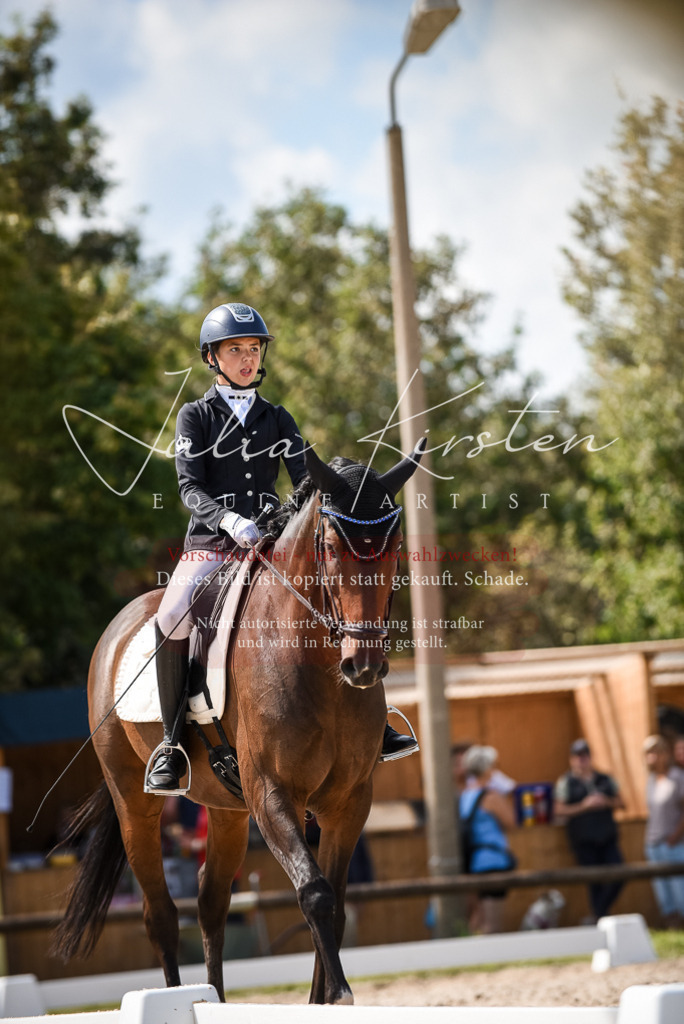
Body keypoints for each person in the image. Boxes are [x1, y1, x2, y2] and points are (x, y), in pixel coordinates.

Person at [147, 301, 417, 792]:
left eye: (254, 349)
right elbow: (190, 489)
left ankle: (374, 721)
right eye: (236, 350)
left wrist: (288, 519)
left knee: (337, 597)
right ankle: (170, 744)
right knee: (172, 615)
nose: (248, 358)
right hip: (212, 544)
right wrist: (230, 520)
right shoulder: (195, 416)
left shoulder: (278, 417)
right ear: (212, 357)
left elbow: (304, 484)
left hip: (269, 544)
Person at [553, 738, 625, 922]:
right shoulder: (566, 782)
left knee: (620, 873)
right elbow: (559, 810)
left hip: (607, 837)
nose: (581, 760)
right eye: (577, 756)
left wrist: (605, 802)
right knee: (594, 881)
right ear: (571, 759)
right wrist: (584, 806)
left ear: (590, 757)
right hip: (583, 840)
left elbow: (622, 803)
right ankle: (600, 918)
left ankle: (598, 915)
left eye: (584, 756)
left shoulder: (605, 779)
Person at [459, 745, 516, 934]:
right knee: (493, 923)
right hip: (493, 861)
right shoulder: (491, 797)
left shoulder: (465, 795)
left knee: (479, 919)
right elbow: (511, 821)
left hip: (474, 863)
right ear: (486, 768)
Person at [642, 734, 684, 928]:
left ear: (665, 754)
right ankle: (674, 933)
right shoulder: (651, 780)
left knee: (680, 893)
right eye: (648, 753)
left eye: (655, 753)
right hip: (654, 844)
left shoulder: (677, 777)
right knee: (664, 895)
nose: (652, 757)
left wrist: (675, 835)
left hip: (673, 843)